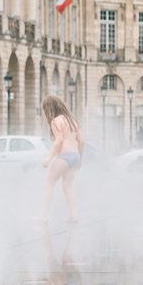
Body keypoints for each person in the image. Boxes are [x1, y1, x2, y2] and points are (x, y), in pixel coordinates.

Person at [40, 95, 84, 223]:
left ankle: (43, 216)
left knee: (49, 183)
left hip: (64, 156)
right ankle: (73, 216)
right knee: (67, 186)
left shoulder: (56, 121)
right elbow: (81, 141)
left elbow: (58, 141)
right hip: (75, 155)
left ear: (49, 108)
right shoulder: (72, 121)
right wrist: (80, 160)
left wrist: (48, 158)